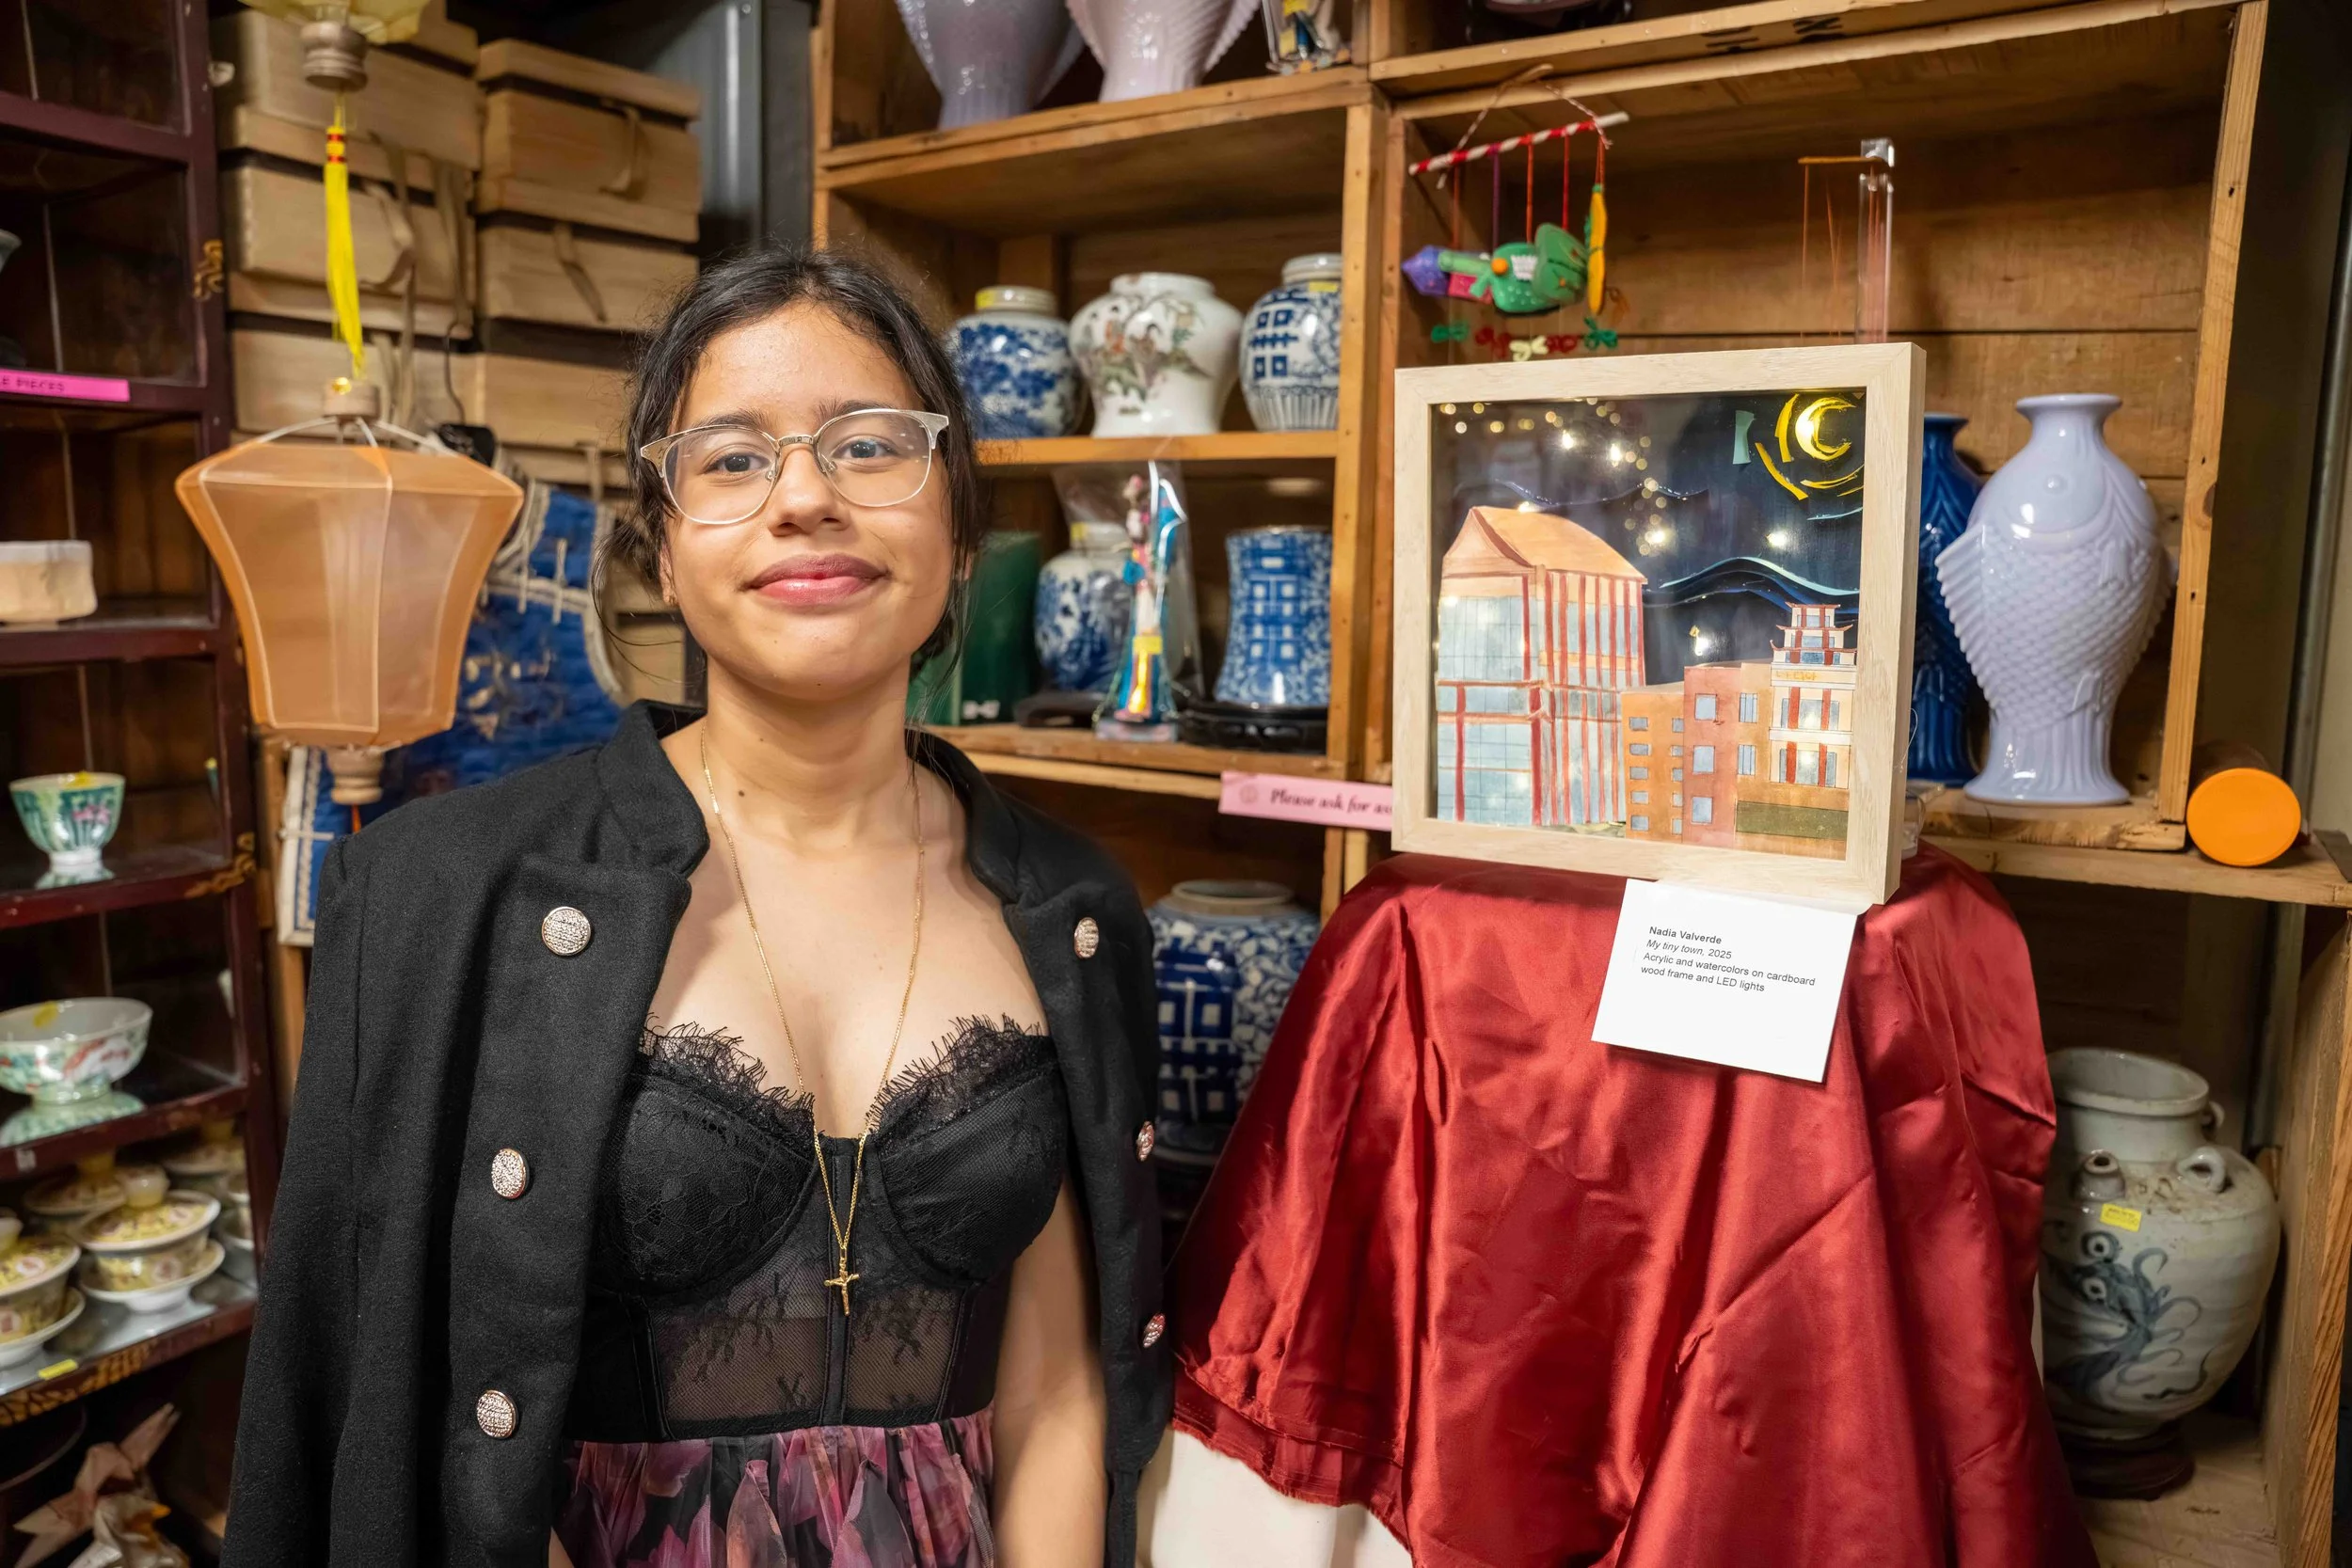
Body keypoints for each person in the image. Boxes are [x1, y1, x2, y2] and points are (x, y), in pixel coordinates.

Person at [224, 246, 1172, 1568]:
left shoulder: (1068, 907)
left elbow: (1058, 1389)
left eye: (870, 445)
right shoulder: (447, 892)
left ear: (957, 529)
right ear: (660, 551)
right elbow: (387, 1392)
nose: (805, 498)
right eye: (731, 459)